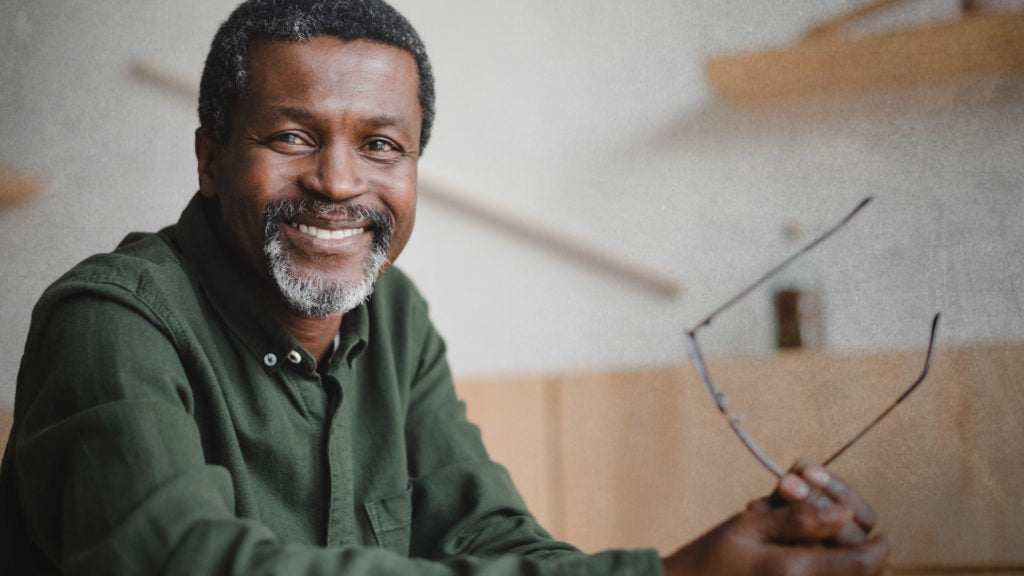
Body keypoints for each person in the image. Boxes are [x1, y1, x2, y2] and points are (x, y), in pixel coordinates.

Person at [0, 0, 891, 574]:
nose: (340, 183)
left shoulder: (393, 314)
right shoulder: (112, 320)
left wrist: (741, 548)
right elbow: (186, 564)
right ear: (208, 158)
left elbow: (488, 536)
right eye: (292, 137)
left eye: (382, 145)